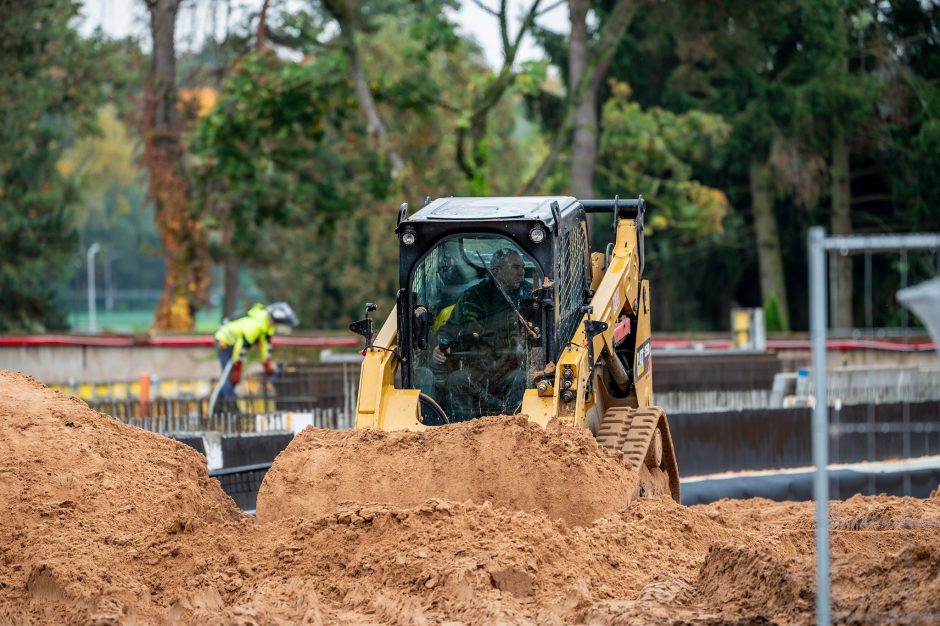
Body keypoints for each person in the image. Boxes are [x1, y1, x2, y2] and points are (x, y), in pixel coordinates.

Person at [431, 248, 529, 421]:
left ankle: (514, 425)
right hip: (478, 369)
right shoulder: (473, 296)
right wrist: (439, 345)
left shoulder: (529, 296)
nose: (522, 272)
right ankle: (461, 431)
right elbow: (450, 328)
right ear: (497, 271)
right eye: (515, 267)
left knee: (523, 379)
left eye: (522, 267)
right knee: (456, 381)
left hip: (511, 369)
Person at [213, 302, 299, 409]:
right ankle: (230, 407)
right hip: (225, 342)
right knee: (229, 376)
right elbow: (242, 347)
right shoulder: (256, 325)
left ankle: (220, 407)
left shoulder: (267, 325)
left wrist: (266, 363)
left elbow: (265, 344)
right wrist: (237, 367)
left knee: (231, 378)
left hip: (235, 345)